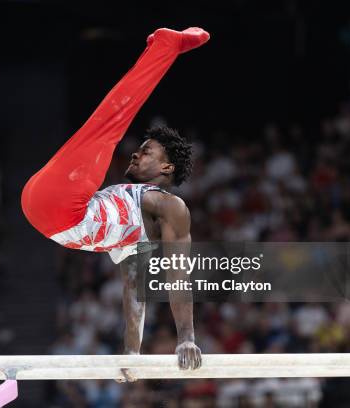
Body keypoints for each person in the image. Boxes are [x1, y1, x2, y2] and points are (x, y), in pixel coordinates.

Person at [21, 27, 209, 379]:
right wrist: (135, 353)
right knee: (109, 123)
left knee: (112, 119)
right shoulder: (126, 201)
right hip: (53, 204)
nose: (137, 153)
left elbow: (168, 280)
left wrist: (175, 341)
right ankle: (164, 48)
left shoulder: (169, 209)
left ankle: (166, 46)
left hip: (56, 211)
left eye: (148, 152)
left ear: (167, 168)